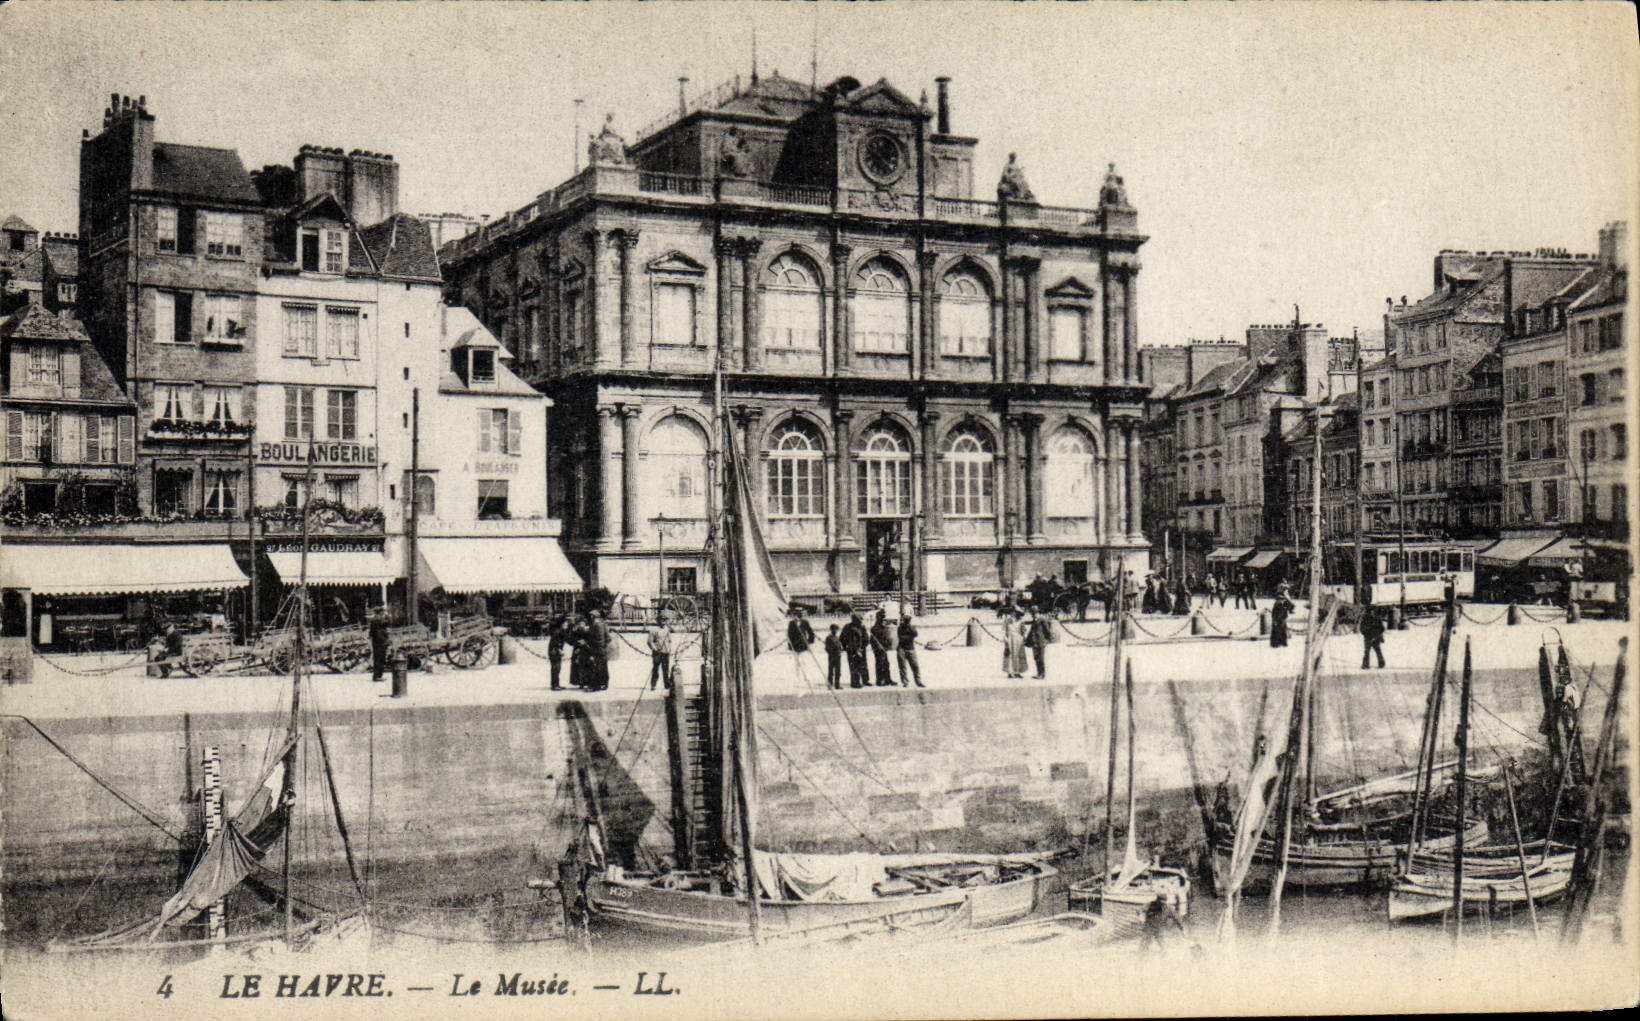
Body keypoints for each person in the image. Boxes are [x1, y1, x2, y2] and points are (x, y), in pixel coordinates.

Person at [786, 608, 816, 685]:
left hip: (803, 645)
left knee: (803, 662)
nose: (796, 616)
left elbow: (811, 633)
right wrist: (790, 645)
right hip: (795, 646)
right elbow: (789, 634)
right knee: (797, 663)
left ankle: (806, 677)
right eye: (795, 614)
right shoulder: (791, 623)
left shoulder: (805, 622)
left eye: (798, 614)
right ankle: (798, 678)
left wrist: (809, 642)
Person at [841, 613, 869, 689]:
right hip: (852, 650)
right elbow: (842, 638)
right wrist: (846, 647)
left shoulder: (862, 627)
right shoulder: (848, 627)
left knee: (863, 665)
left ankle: (865, 680)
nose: (860, 622)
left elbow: (866, 638)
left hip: (861, 649)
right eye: (859, 620)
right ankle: (855, 682)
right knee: (854, 666)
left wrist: (863, 646)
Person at [896, 614, 924, 688]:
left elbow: (915, 634)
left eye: (908, 621)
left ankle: (918, 681)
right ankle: (905, 682)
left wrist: (910, 627)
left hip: (911, 648)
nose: (906, 622)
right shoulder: (900, 628)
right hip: (902, 648)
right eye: (906, 621)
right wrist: (910, 637)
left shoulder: (911, 627)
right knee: (902, 666)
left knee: (915, 666)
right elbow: (901, 637)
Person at [586, 610, 611, 691]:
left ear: (592, 616)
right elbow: (608, 638)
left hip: (595, 648)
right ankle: (605, 684)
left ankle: (596, 686)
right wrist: (603, 646)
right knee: (603, 666)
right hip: (602, 649)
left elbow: (591, 638)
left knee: (595, 667)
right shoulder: (603, 624)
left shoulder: (594, 625)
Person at [870, 611, 895, 687]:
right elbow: (872, 640)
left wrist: (888, 643)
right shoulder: (875, 628)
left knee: (886, 664)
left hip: (884, 648)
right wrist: (877, 647)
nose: (883, 619)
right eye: (882, 617)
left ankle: (887, 679)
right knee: (880, 664)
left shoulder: (883, 627)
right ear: (878, 617)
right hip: (879, 649)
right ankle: (879, 680)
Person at [647, 620, 673, 691]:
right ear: (658, 621)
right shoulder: (653, 630)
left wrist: (669, 648)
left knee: (666, 670)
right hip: (657, 653)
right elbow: (649, 641)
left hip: (665, 652)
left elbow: (669, 640)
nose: (663, 622)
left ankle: (667, 684)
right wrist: (654, 648)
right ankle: (653, 685)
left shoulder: (667, 630)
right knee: (655, 669)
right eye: (662, 620)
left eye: (665, 620)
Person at [1025, 610, 1051, 680]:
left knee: (1041, 658)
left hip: (1040, 642)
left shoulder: (1042, 620)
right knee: (1036, 658)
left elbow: (1047, 630)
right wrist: (1027, 640)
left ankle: (1042, 674)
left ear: (1038, 613)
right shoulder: (1034, 620)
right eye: (1032, 614)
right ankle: (1039, 673)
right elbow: (1031, 631)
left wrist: (1047, 640)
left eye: (1035, 613)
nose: (1034, 615)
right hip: (1034, 642)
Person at [1359, 602, 1386, 669]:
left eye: (1372, 611)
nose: (1371, 612)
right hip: (1368, 637)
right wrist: (1366, 634)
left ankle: (1380, 663)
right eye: (1370, 611)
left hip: (1375, 637)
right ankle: (1366, 665)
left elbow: (1382, 628)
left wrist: (1376, 634)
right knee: (1368, 651)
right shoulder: (1365, 618)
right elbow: (1361, 628)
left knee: (1377, 650)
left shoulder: (1376, 618)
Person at [369, 607, 390, 683]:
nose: (383, 614)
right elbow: (387, 623)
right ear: (380, 613)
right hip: (380, 643)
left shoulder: (375, 619)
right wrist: (387, 616)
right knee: (380, 659)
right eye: (382, 613)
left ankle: (377, 676)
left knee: (378, 659)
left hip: (377, 643)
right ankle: (377, 676)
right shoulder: (377, 620)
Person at [546, 615, 567, 690]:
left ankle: (556, 684)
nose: (566, 625)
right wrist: (559, 650)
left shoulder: (560, 631)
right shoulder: (558, 631)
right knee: (556, 668)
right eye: (565, 623)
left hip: (554, 651)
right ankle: (555, 685)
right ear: (562, 624)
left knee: (557, 668)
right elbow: (556, 642)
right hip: (554, 651)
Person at [1270, 584, 1294, 649]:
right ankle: (1280, 643)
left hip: (1280, 617)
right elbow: (1291, 607)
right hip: (1281, 617)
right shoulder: (1283, 600)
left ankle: (1277, 643)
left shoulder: (1282, 600)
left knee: (1279, 630)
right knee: (1280, 630)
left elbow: (1290, 607)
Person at [824, 624, 844, 690]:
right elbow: (826, 648)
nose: (835, 631)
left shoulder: (837, 637)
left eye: (836, 629)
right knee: (831, 671)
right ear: (831, 630)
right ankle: (830, 685)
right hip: (832, 656)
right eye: (834, 629)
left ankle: (837, 685)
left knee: (838, 671)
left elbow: (839, 646)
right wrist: (831, 653)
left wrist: (841, 650)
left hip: (838, 656)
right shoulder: (829, 638)